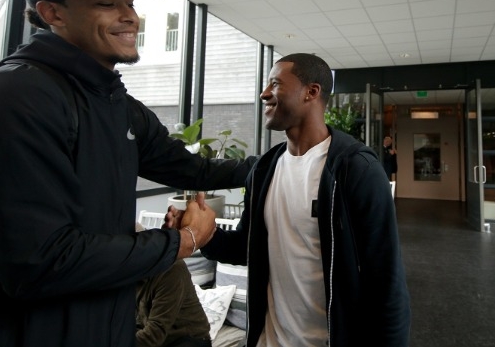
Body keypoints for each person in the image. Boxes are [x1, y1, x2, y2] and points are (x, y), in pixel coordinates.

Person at [0, 0, 253, 346]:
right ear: (52, 13)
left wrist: (283, 160)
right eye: (106, 3)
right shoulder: (14, 96)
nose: (130, 16)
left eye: (130, 3)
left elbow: (191, 169)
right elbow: (40, 262)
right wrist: (184, 242)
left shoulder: (116, 105)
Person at [169, 53, 411, 346]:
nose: (264, 94)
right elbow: (245, 247)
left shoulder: (356, 169)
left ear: (311, 92)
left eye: (275, 84)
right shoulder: (264, 170)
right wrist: (201, 233)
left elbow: (386, 281)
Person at [135, 224, 211, 347]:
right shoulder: (127, 274)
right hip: (158, 339)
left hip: (189, 339)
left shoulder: (171, 269)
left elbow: (155, 333)